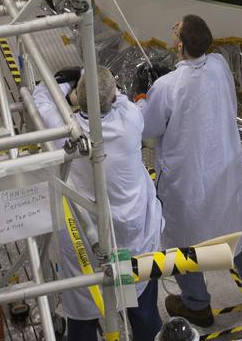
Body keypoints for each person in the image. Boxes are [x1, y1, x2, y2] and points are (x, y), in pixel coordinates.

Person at [136, 15, 242, 328]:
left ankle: (197, 304)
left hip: (187, 180)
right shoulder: (220, 66)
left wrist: (143, 96)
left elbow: (148, 128)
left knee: (185, 240)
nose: (172, 29)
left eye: (175, 28)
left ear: (181, 45)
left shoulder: (166, 87)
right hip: (224, 171)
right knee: (237, 228)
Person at [32, 65, 163, 341]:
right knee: (138, 305)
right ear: (113, 98)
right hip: (130, 235)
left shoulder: (63, 132)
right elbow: (122, 98)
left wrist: (68, 83)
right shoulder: (129, 122)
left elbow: (41, 97)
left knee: (84, 309)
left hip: (84, 243)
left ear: (79, 98)